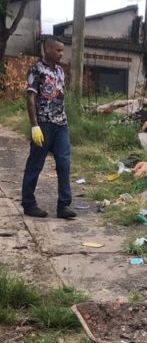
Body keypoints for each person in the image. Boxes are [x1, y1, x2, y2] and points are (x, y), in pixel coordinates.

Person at [21, 36, 76, 219]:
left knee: (64, 163)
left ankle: (64, 205)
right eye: (58, 50)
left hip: (61, 124)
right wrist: (34, 126)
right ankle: (28, 204)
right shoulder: (36, 69)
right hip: (43, 124)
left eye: (62, 50)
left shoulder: (60, 71)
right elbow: (31, 98)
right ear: (47, 49)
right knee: (36, 163)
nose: (61, 54)